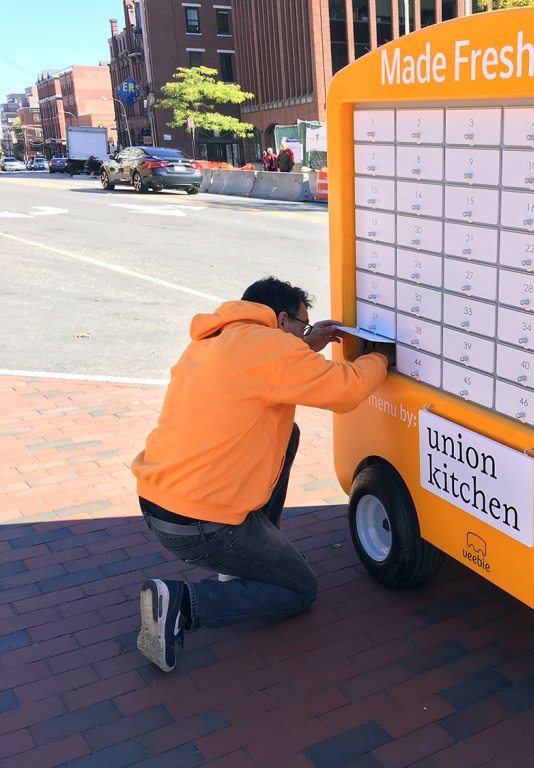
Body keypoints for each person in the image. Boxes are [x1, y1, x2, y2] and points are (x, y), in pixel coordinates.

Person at [132, 276, 391, 672]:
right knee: (300, 590)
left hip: (159, 503)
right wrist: (380, 357)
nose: (302, 334)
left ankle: (242, 560)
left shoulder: (214, 340)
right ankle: (183, 604)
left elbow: (266, 367)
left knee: (287, 431)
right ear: (282, 319)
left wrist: (304, 343)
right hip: (203, 524)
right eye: (302, 326)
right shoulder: (270, 348)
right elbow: (345, 391)